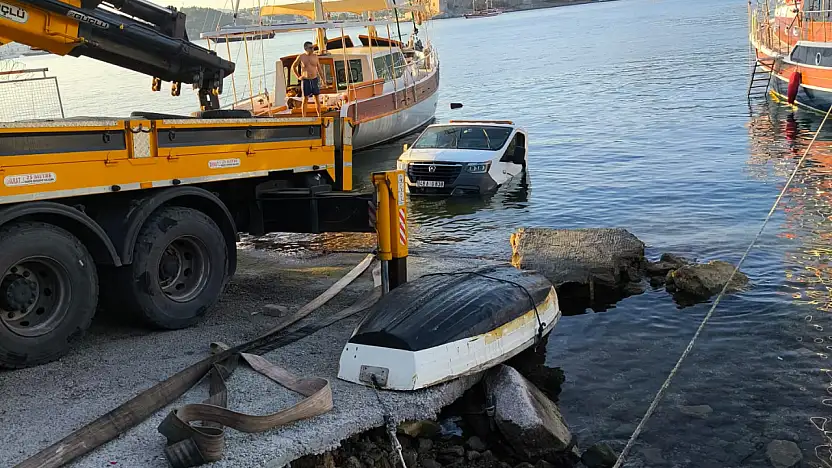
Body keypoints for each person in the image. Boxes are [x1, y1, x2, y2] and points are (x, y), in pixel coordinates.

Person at [292, 41, 328, 117]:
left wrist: (323, 80)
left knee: (317, 99)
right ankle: (304, 117)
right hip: (306, 80)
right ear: (306, 48)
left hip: (314, 79)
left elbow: (319, 69)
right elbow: (293, 67)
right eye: (310, 48)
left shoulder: (315, 56)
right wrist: (298, 76)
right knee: (305, 99)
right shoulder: (301, 57)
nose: (312, 49)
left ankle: (319, 116)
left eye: (313, 47)